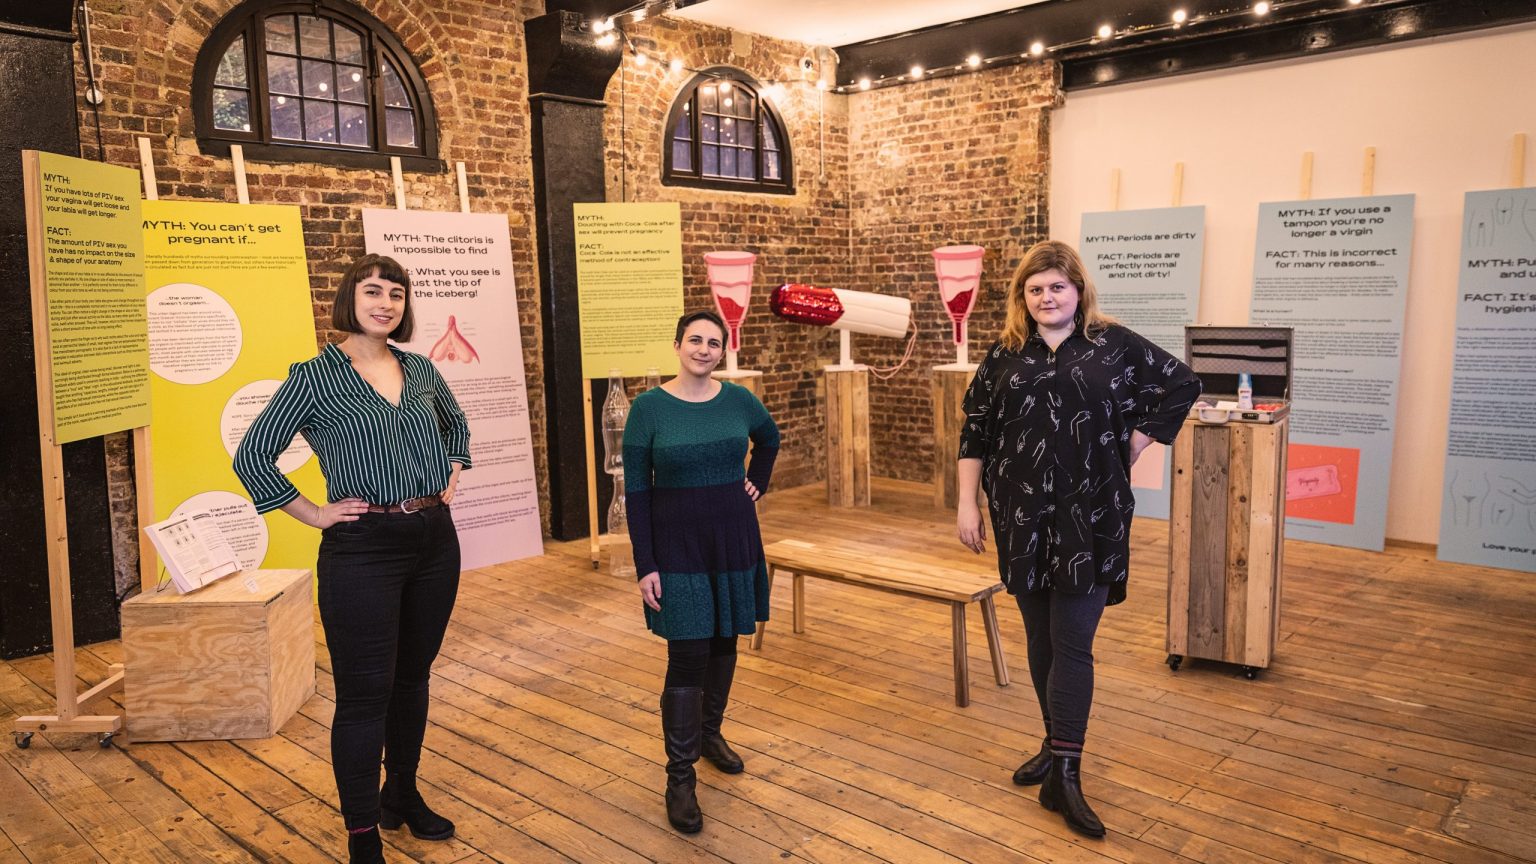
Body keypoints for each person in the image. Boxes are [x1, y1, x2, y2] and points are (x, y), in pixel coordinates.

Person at [955, 240, 1199, 839]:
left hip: (1093, 516)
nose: (1046, 297)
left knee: (1073, 643)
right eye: (1034, 289)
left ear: (1078, 290)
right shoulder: (1005, 354)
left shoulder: (1112, 345)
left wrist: (1139, 439)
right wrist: (967, 503)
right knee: (1040, 638)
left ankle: (1066, 770)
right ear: (1023, 298)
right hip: (1022, 516)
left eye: (1057, 287)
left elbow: (1182, 383)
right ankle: (1053, 744)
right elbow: (976, 431)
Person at [233, 253, 471, 864]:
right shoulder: (315, 377)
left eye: (396, 293)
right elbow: (253, 455)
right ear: (350, 298)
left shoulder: (418, 369)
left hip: (434, 541)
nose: (385, 303)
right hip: (362, 550)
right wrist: (313, 513)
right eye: (373, 291)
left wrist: (454, 466)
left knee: (412, 679)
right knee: (365, 695)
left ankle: (402, 796)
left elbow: (456, 425)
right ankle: (363, 832)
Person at [623, 309, 780, 834]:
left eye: (714, 343)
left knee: (723, 643)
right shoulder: (648, 409)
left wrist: (758, 478)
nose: (705, 349)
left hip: (733, 540)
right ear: (677, 345)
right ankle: (680, 776)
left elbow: (770, 438)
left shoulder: (738, 399)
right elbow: (637, 494)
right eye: (696, 340)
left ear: (722, 350)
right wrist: (646, 564)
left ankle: (710, 733)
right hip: (677, 548)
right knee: (687, 653)